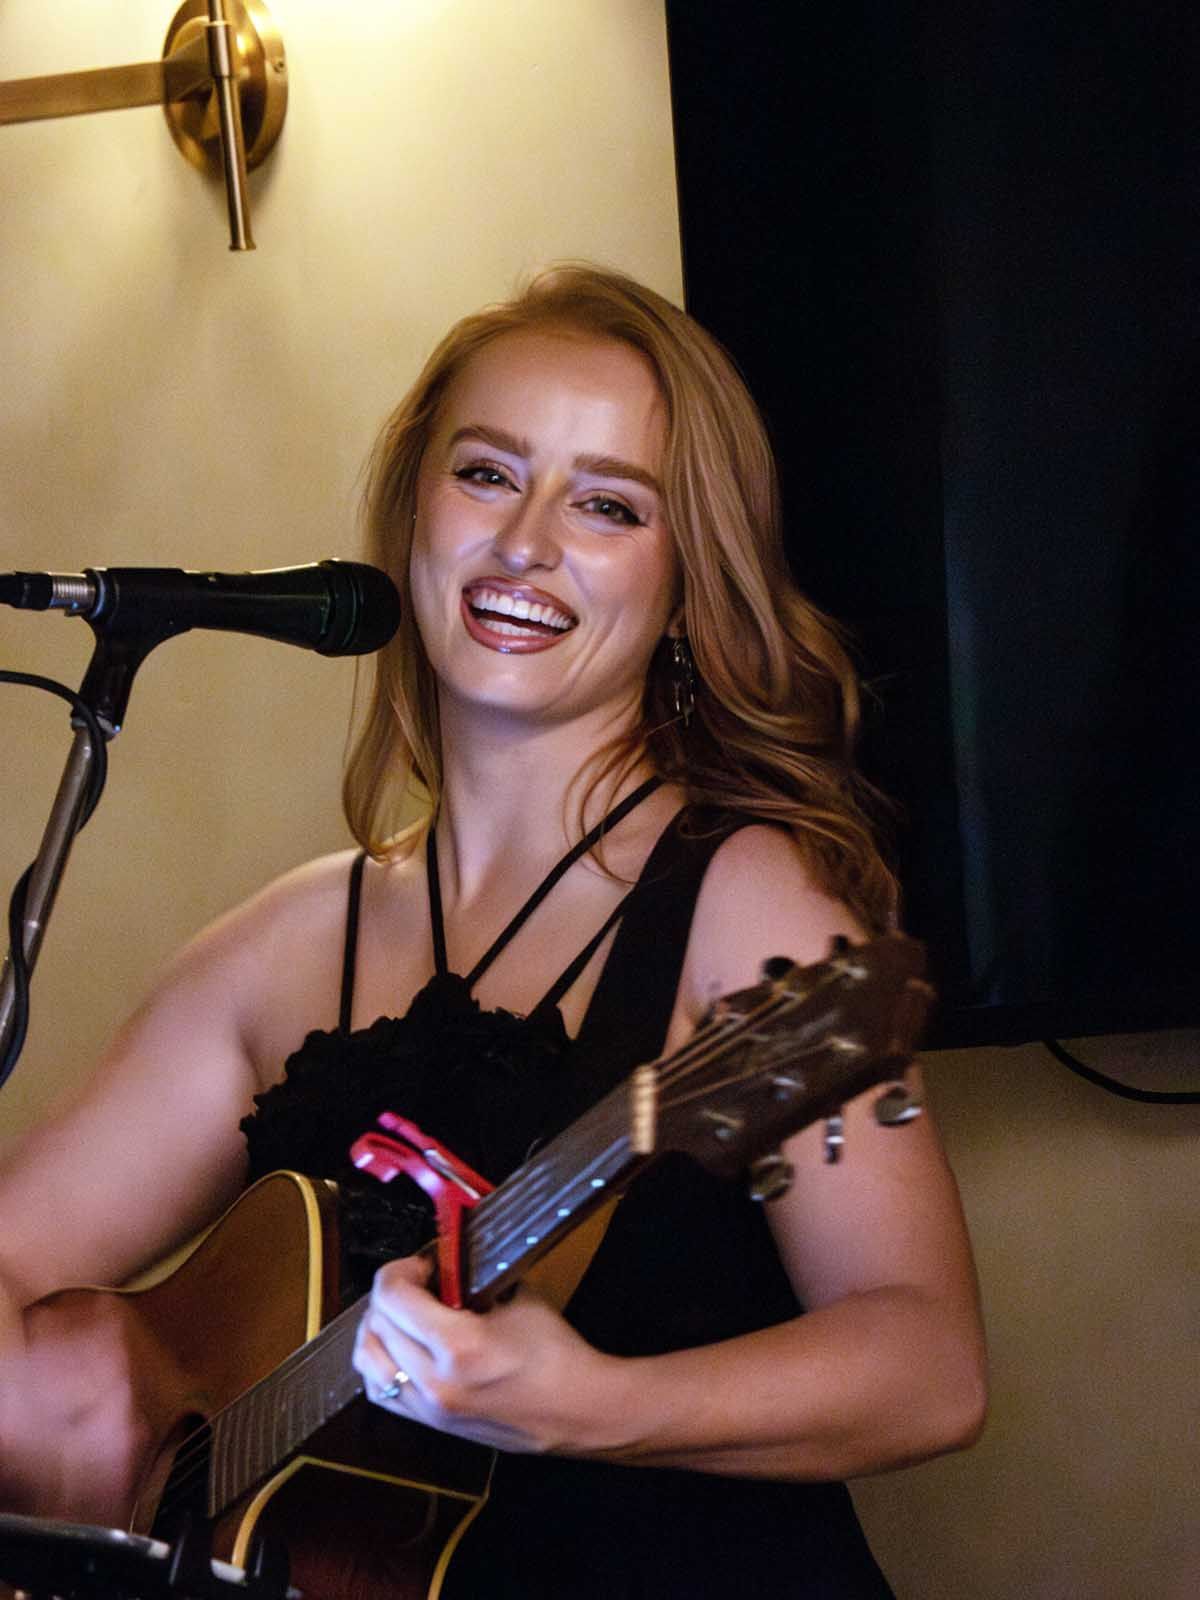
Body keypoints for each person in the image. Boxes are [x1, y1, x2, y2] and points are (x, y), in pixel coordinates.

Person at [0, 266, 986, 1597]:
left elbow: (929, 1366)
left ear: (690, 577)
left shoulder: (750, 906)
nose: (526, 542)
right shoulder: (287, 944)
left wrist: (593, 1406)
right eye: (486, 474)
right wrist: (95, 1413)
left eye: (606, 505)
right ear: (414, 505)